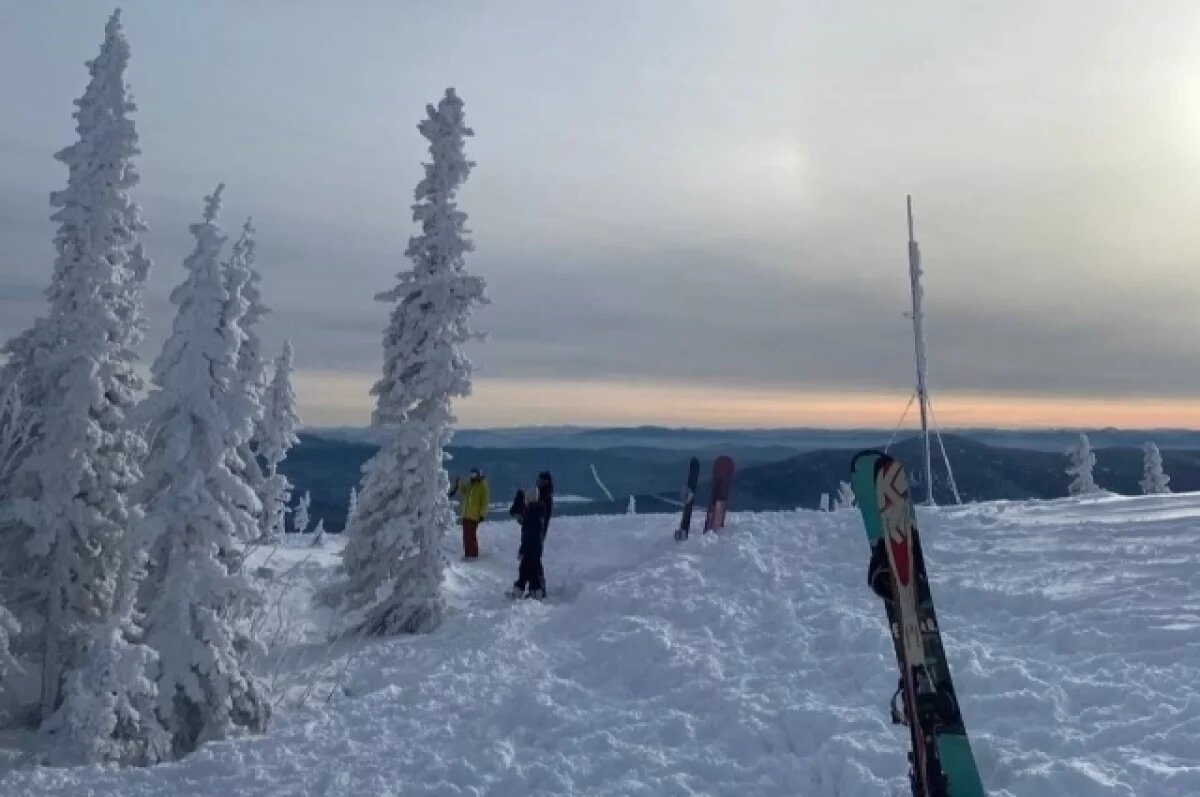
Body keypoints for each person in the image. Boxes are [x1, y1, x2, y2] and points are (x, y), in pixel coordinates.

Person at [507, 486, 546, 600]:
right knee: (533, 571)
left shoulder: (531, 515)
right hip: (535, 549)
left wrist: (522, 550)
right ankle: (535, 593)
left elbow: (528, 536)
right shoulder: (536, 513)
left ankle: (518, 593)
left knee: (524, 570)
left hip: (530, 549)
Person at [449, 467, 489, 559]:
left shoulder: (482, 486)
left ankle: (473, 554)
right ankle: (467, 554)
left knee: (471, 535)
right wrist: (458, 484)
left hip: (474, 515)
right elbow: (463, 491)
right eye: (471, 475)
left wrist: (482, 514)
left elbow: (485, 502)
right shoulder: (470, 485)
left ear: (478, 475)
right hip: (466, 514)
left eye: (474, 475)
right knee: (465, 535)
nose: (472, 477)